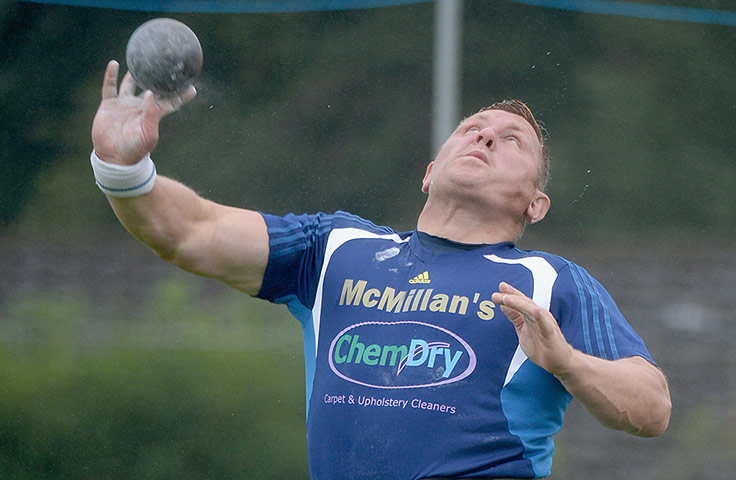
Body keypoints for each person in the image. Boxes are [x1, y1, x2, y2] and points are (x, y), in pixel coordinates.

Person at [90, 60, 671, 480]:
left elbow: (652, 409)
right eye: (471, 129)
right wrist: (123, 170)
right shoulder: (337, 248)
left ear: (534, 205)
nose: (487, 134)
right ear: (429, 171)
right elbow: (190, 232)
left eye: (511, 140)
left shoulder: (551, 283)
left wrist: (566, 362)